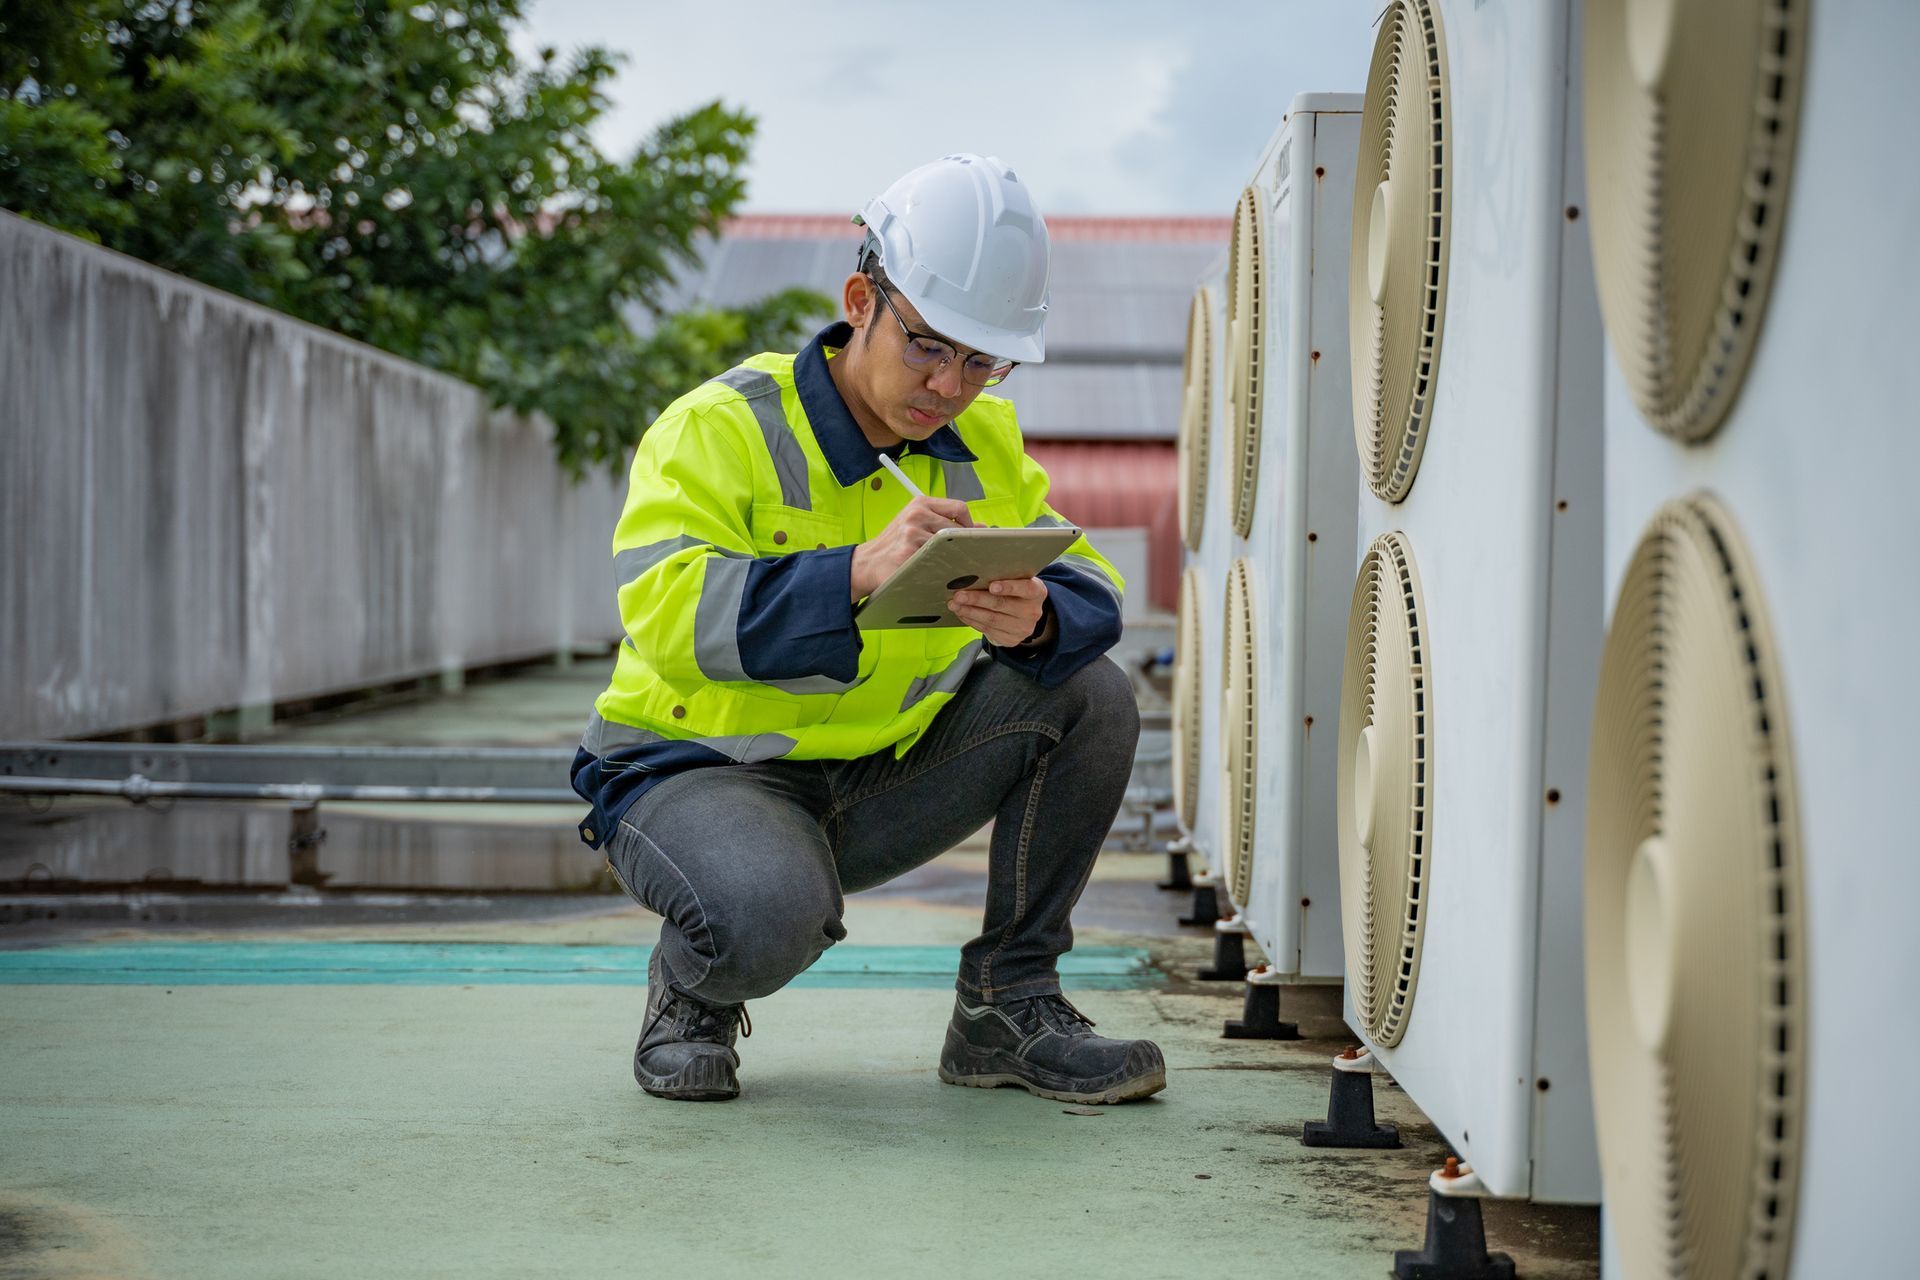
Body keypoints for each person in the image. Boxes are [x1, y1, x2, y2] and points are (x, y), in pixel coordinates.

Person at [570, 154, 1161, 1105]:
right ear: (861, 301)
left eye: (982, 359)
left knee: (1089, 689)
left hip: (876, 777)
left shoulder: (982, 445)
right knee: (766, 915)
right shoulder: (720, 428)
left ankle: (1006, 1005)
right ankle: (694, 986)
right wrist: (851, 574)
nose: (951, 385)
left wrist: (1043, 613)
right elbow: (670, 615)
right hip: (696, 773)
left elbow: (1090, 581)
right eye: (928, 345)